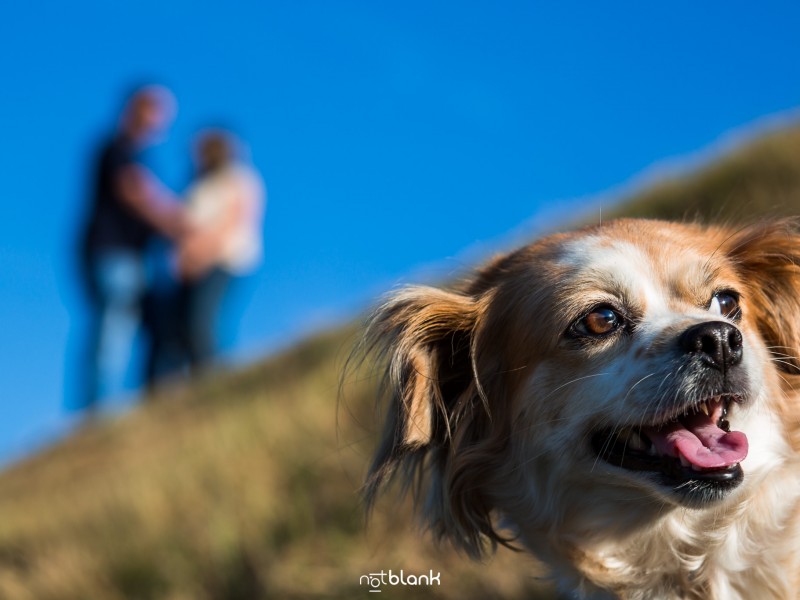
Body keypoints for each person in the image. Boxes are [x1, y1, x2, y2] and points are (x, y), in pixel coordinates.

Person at [78, 85, 183, 411]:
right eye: (157, 113)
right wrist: (180, 224)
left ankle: (146, 403)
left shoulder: (138, 157)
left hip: (132, 259)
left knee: (140, 328)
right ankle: (99, 414)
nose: (161, 123)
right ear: (138, 111)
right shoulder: (116, 149)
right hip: (113, 255)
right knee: (114, 329)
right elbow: (135, 194)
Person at [176, 129, 265, 370]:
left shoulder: (239, 178)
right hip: (193, 266)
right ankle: (196, 378)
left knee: (202, 322)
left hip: (226, 260)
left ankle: (212, 376)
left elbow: (234, 220)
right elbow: (183, 226)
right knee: (184, 326)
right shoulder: (197, 185)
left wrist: (201, 253)